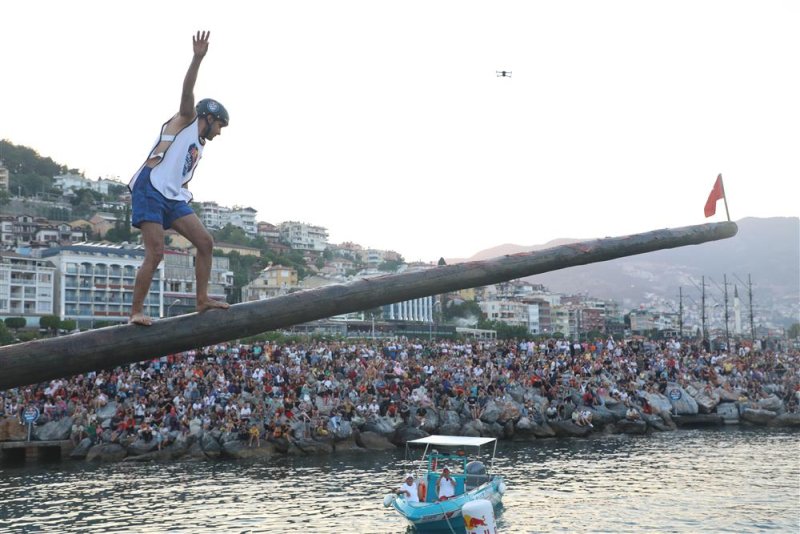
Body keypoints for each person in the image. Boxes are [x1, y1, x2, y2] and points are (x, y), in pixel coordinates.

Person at [127, 30, 231, 325]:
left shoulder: (199, 145)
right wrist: (197, 59)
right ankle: (136, 311)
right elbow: (187, 92)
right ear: (209, 118)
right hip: (150, 188)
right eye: (220, 126)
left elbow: (181, 178)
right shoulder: (186, 120)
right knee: (156, 252)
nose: (220, 133)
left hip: (173, 196)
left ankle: (201, 299)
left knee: (206, 243)